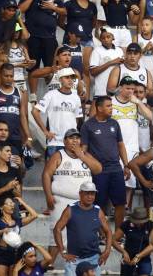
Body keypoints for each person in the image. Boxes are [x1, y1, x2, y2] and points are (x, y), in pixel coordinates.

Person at [41, 129, 101, 261]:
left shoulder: (85, 154)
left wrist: (82, 155)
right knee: (57, 232)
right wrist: (48, 195)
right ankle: (49, 262)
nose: (75, 141)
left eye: (77, 138)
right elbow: (46, 174)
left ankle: (78, 261)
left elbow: (98, 169)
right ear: (64, 141)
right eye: (71, 138)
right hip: (61, 199)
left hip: (82, 203)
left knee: (81, 233)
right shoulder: (59, 155)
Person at [80, 95, 131, 226]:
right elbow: (83, 149)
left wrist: (126, 165)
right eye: (108, 106)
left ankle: (119, 233)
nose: (111, 108)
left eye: (111, 106)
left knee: (120, 203)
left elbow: (120, 145)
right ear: (99, 108)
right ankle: (102, 233)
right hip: (99, 171)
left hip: (116, 168)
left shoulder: (114, 123)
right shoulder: (88, 125)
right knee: (99, 203)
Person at [52, 181, 113, 276]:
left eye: (92, 194)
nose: (90, 197)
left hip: (93, 257)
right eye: (87, 193)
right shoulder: (70, 209)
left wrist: (107, 250)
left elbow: (108, 231)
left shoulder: (98, 210)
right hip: (74, 258)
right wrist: (63, 251)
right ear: (80, 194)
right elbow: (57, 229)